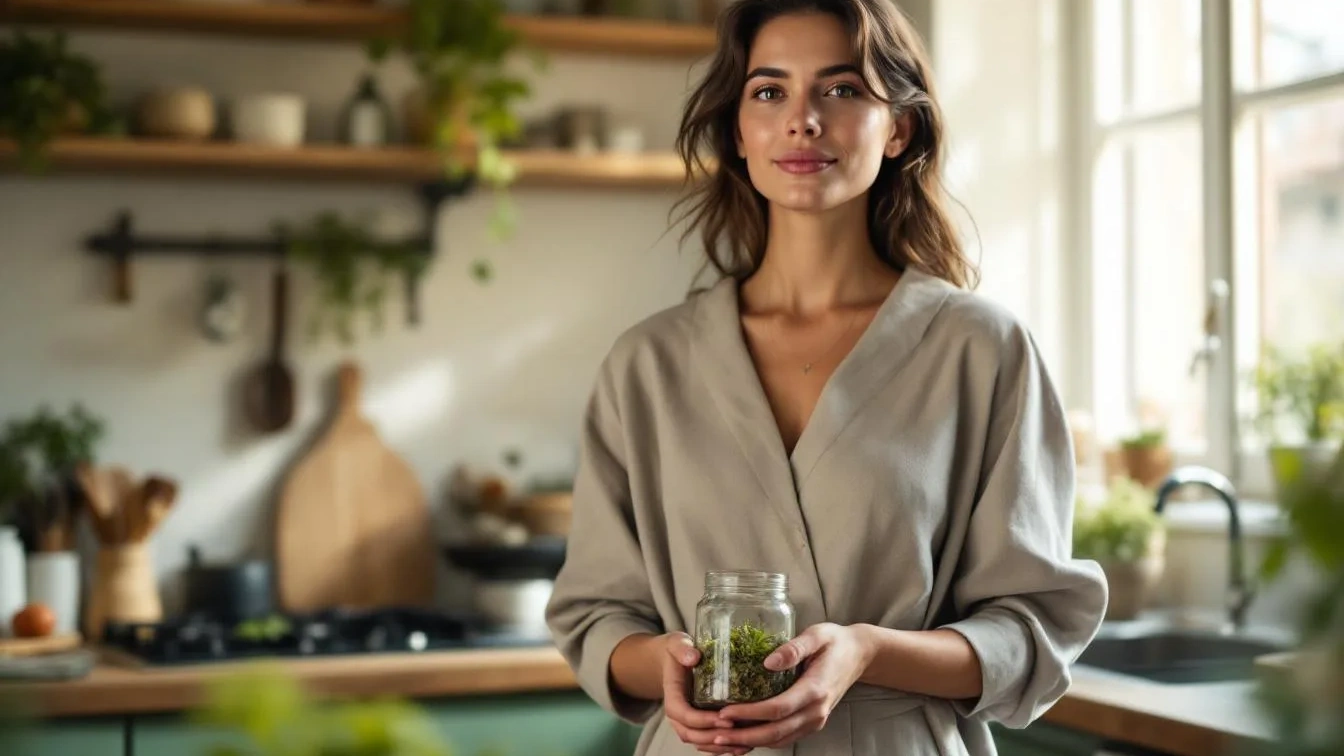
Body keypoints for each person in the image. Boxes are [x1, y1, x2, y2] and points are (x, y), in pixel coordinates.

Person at [544, 0, 1109, 753]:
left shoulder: (983, 351)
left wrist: (869, 651)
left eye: (841, 90)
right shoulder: (649, 366)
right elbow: (596, 614)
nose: (803, 120)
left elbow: (1034, 624)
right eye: (770, 92)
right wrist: (669, 667)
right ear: (739, 132)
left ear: (899, 127)